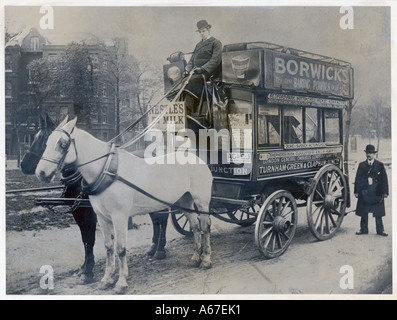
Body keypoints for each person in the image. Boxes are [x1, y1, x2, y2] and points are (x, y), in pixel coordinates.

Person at [184, 19, 222, 115]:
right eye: (200, 32)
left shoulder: (216, 42)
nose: (202, 34)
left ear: (208, 30)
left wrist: (203, 68)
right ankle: (186, 108)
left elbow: (215, 60)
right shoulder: (198, 45)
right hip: (197, 72)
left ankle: (189, 110)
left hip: (210, 73)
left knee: (192, 80)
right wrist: (187, 69)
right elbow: (192, 59)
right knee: (184, 79)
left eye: (203, 31)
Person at [354, 144, 389, 236]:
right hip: (365, 192)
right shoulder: (362, 165)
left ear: (374, 154)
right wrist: (356, 191)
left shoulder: (379, 165)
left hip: (377, 192)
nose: (369, 155)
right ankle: (363, 229)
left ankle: (380, 230)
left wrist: (385, 192)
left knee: (378, 212)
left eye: (370, 153)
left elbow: (384, 179)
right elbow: (357, 179)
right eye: (367, 153)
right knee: (364, 211)